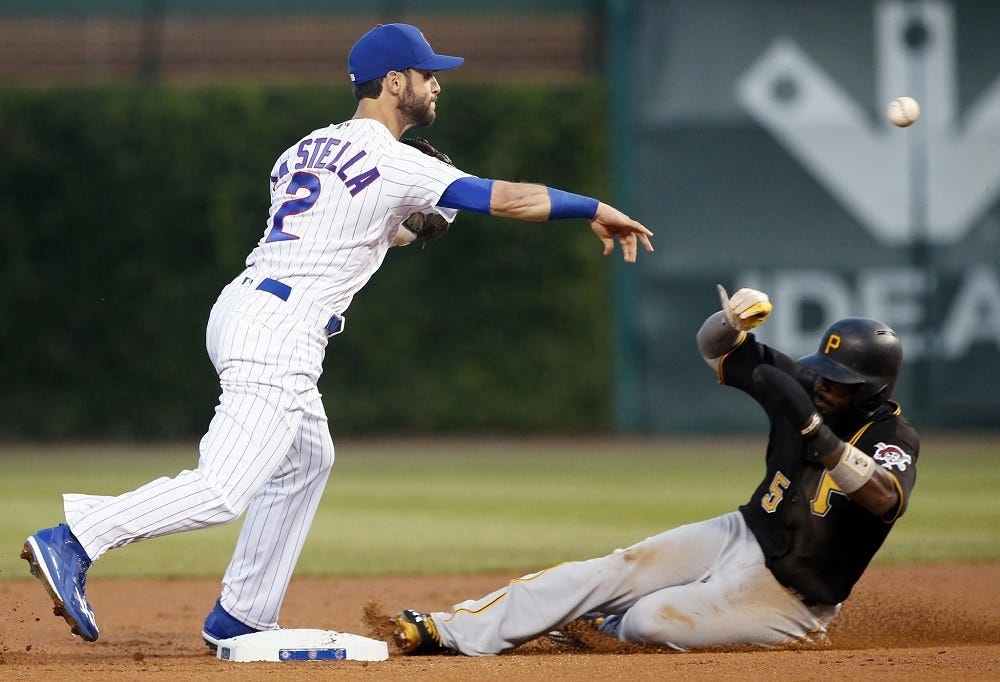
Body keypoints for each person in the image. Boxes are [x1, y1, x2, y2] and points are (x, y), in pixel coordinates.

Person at [20, 22, 654, 646]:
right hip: (281, 327)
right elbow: (506, 200)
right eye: (427, 75)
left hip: (249, 308)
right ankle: (77, 538)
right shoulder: (392, 158)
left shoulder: (301, 149)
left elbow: (340, 228)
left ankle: (241, 614)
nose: (437, 86)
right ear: (394, 81)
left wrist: (403, 226)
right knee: (222, 487)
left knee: (307, 460)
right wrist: (593, 207)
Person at [390, 285, 919, 655]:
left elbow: (885, 498)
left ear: (874, 388)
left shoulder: (892, 438)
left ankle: (600, 625)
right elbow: (716, 349)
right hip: (742, 531)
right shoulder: (803, 384)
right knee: (616, 569)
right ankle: (453, 628)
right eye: (822, 372)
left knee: (648, 620)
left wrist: (817, 436)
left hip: (792, 599)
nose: (823, 385)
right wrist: (729, 322)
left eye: (838, 380)